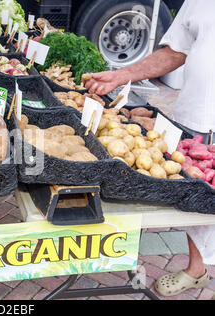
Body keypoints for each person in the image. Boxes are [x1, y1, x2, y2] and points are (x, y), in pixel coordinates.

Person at [82, 0, 214, 297]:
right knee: (193, 195)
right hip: (193, 115)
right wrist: (121, 75)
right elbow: (175, 52)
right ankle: (197, 269)